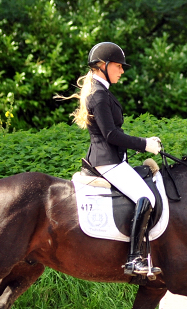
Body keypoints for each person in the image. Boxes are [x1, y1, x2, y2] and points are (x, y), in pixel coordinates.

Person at [65, 42, 162, 277]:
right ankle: (134, 259)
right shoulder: (98, 95)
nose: (122, 71)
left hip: (114, 159)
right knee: (145, 196)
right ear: (102, 66)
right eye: (118, 66)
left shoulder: (103, 91)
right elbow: (111, 135)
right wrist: (144, 144)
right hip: (107, 161)